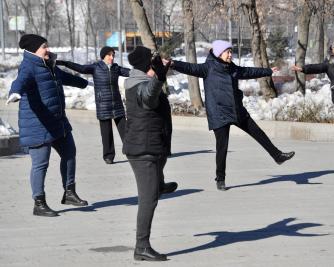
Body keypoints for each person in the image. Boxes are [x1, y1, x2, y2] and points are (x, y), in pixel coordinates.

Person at [166, 40, 295, 191]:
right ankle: (220, 179)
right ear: (219, 53)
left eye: (230, 52)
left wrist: (267, 71)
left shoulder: (232, 68)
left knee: (258, 132)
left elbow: (247, 72)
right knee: (222, 147)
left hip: (236, 110)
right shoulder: (208, 68)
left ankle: (277, 156)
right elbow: (190, 67)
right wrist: (173, 63)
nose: (230, 54)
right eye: (227, 52)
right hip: (219, 112)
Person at [7, 34, 89, 217]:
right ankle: (39, 203)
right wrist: (15, 93)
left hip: (57, 122)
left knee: (69, 153)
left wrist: (85, 83)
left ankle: (69, 192)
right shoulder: (29, 67)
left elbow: (65, 77)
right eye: (44, 46)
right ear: (34, 50)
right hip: (38, 124)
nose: (48, 49)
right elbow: (19, 82)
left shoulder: (49, 66)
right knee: (40, 164)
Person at [123, 46, 178, 261]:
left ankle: (158, 184)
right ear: (147, 65)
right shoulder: (141, 85)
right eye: (153, 61)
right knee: (148, 200)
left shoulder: (140, 80)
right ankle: (142, 247)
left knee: (154, 184)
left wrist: (161, 71)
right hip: (143, 149)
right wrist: (159, 78)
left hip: (151, 145)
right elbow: (149, 97)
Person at [57, 46, 130, 164]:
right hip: (103, 105)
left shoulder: (116, 68)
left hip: (117, 103)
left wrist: (144, 70)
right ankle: (108, 156)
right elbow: (81, 68)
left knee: (125, 129)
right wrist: (65, 63)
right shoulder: (96, 67)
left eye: (113, 55)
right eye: (109, 55)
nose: (112, 57)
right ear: (103, 56)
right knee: (106, 133)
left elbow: (129, 72)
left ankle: (130, 150)